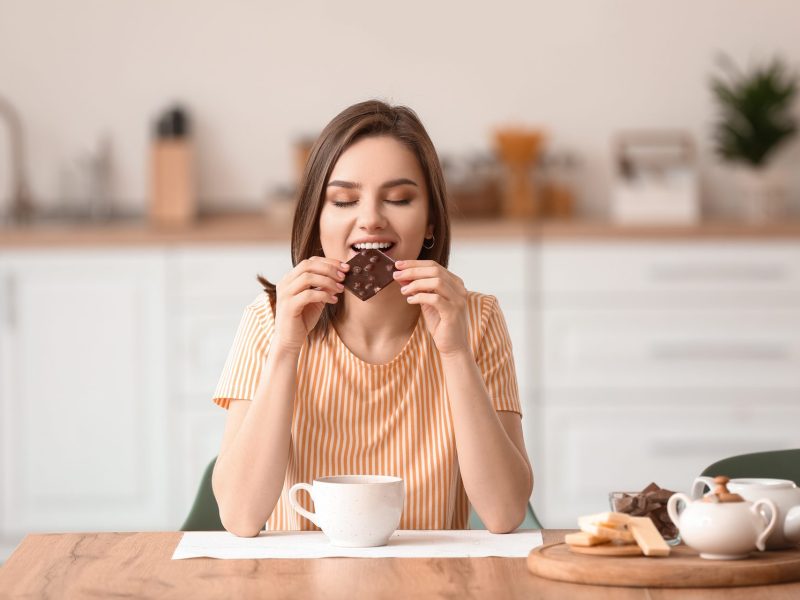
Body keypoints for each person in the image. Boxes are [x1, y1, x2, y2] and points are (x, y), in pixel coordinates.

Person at [211, 100, 533, 537]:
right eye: (344, 200)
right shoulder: (268, 320)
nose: (371, 219)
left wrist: (455, 351)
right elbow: (240, 516)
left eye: (399, 198)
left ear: (432, 219)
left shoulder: (476, 319)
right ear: (317, 219)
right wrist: (287, 349)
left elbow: (505, 512)